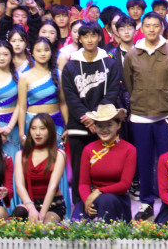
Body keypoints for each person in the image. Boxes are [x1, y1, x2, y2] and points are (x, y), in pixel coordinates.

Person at [120, 11, 168, 219]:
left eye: (155, 26)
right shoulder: (132, 54)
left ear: (161, 28)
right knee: (144, 161)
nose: (151, 29)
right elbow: (129, 84)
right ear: (141, 28)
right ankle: (146, 202)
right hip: (140, 116)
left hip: (166, 116)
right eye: (147, 26)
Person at [61, 21, 123, 210]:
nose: (89, 39)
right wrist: (87, 118)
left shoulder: (110, 63)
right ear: (79, 39)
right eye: (85, 36)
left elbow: (112, 92)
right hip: (79, 126)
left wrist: (96, 118)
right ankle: (80, 206)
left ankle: (106, 204)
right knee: (80, 168)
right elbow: (70, 96)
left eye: (93, 35)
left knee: (105, 166)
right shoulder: (70, 66)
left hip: (104, 125)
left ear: (99, 37)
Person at [78, 104, 136, 221]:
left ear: (118, 125)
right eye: (100, 126)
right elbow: (83, 184)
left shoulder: (129, 149)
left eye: (109, 125)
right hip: (92, 199)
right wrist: (87, 201)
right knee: (75, 223)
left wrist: (99, 191)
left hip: (117, 199)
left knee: (106, 200)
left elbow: (125, 184)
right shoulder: (88, 149)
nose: (104, 130)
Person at [11, 114, 67, 222]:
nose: (37, 133)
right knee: (19, 214)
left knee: (45, 226)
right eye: (33, 128)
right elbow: (19, 186)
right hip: (30, 203)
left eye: (42, 129)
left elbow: (52, 186)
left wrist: (42, 213)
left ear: (50, 131)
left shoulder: (59, 154)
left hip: (52, 204)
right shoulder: (20, 155)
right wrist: (31, 209)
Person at [20, 37, 66, 145]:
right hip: (33, 123)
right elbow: (22, 107)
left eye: (46, 50)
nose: (43, 54)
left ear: (51, 52)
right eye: (38, 50)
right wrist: (21, 134)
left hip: (56, 122)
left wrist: (68, 125)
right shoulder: (24, 77)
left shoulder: (59, 74)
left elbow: (63, 103)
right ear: (32, 53)